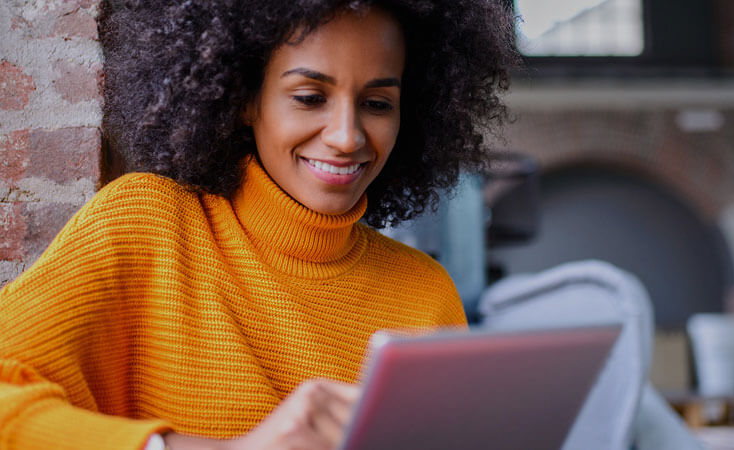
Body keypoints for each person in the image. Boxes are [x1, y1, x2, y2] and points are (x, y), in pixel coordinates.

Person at [0, 0, 516, 449]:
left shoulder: (425, 292)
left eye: (377, 104)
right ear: (245, 99)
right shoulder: (150, 223)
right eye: (310, 97)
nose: (346, 136)